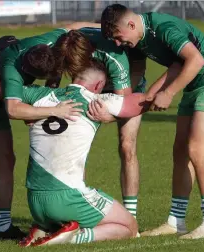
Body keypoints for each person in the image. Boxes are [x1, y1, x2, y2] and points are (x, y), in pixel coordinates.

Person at [98, 4, 204, 239]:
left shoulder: (164, 28)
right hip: (193, 83)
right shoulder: (137, 39)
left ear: (131, 25)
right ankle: (176, 221)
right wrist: (133, 102)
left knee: (196, 149)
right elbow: (175, 65)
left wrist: (168, 93)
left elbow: (196, 61)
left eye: (118, 37)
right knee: (180, 151)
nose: (117, 44)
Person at [0, 36, 81, 245]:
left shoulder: (47, 41)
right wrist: (54, 110)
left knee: (6, 160)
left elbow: (72, 27)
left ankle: (3, 226)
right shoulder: (13, 70)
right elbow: (7, 104)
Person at [18, 60, 153, 247]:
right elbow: (144, 101)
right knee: (129, 227)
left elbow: (1, 88)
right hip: (66, 198)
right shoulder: (97, 101)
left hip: (34, 200)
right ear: (99, 85)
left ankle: (44, 227)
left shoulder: (40, 95)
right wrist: (111, 117)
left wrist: (29, 113)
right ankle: (73, 237)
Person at [53, 28, 147, 220]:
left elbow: (125, 100)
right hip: (89, 86)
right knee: (75, 145)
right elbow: (52, 83)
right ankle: (74, 208)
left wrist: (108, 117)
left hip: (126, 87)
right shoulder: (66, 47)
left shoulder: (113, 57)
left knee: (127, 146)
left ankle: (131, 216)